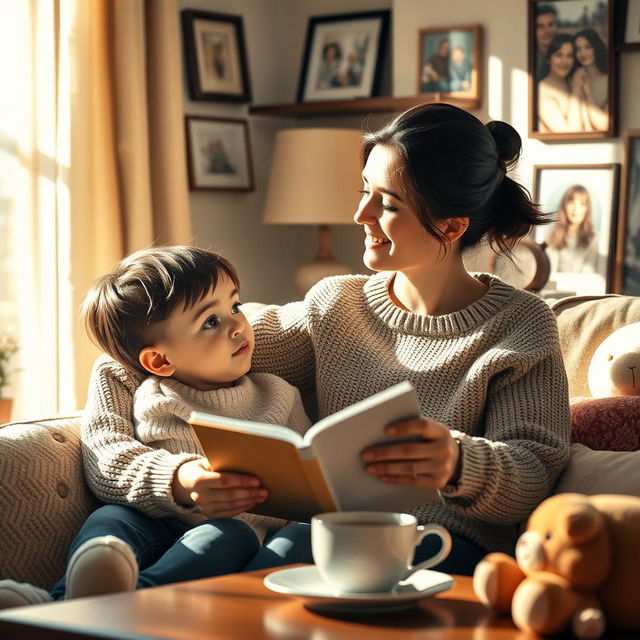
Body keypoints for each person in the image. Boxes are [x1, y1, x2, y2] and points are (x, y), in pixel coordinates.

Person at [246, 103, 571, 577]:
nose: (360, 214)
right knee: (274, 555)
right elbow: (202, 347)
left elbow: (534, 473)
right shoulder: (335, 305)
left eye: (388, 204)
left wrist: (457, 462)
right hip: (334, 530)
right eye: (364, 192)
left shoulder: (522, 325)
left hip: (446, 547)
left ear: (451, 225)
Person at [0, 246, 311, 608]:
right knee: (111, 521)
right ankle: (64, 603)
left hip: (241, 538)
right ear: (160, 360)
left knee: (235, 534)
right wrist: (181, 480)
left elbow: (308, 476)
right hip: (157, 519)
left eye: (235, 306)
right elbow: (106, 459)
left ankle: (111, 605)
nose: (238, 325)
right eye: (211, 322)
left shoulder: (279, 395)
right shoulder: (146, 391)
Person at [545, 185, 599, 274]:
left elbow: (589, 276)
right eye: (571, 203)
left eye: (582, 204)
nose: (576, 209)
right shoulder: (553, 236)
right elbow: (550, 273)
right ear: (564, 206)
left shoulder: (594, 239)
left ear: (587, 209)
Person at [537, 34, 581, 133]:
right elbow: (567, 132)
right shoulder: (542, 89)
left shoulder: (572, 82)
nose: (565, 61)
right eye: (559, 55)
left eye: (569, 55)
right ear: (548, 59)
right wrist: (576, 90)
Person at [572, 28, 609, 132]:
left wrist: (588, 91)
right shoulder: (574, 80)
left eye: (588, 47)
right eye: (578, 49)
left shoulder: (608, 82)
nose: (582, 53)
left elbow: (604, 125)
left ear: (596, 47)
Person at [534, 4, 558, 81]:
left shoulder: (568, 54)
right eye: (540, 26)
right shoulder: (529, 57)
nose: (547, 31)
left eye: (551, 24)